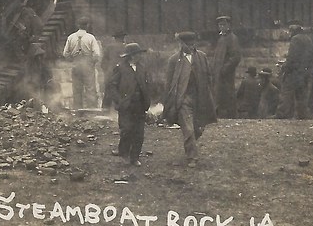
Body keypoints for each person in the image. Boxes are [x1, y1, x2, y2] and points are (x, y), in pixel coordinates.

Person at [161, 31, 217, 168]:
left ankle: (189, 143)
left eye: (193, 44)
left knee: (199, 128)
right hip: (182, 99)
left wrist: (209, 96)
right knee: (189, 129)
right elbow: (168, 83)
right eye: (187, 44)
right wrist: (168, 102)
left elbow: (209, 77)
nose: (190, 47)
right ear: (181, 44)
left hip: (200, 98)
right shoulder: (174, 60)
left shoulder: (202, 57)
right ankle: (192, 157)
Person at [103, 43, 152, 166]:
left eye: (140, 54)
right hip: (126, 105)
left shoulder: (142, 67)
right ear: (131, 56)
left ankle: (134, 157)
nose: (139, 56)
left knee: (139, 133)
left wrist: (147, 98)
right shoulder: (120, 68)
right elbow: (112, 86)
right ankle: (124, 153)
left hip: (140, 105)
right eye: (137, 54)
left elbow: (148, 84)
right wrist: (119, 100)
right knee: (126, 130)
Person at [63, 18, 103, 110]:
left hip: (75, 65)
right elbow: (96, 54)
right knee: (90, 88)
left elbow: (65, 53)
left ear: (78, 25)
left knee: (77, 88)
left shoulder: (71, 37)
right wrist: (92, 62)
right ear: (87, 25)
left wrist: (72, 61)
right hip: (88, 65)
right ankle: (92, 110)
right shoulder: (91, 37)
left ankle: (77, 111)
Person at [276, 22, 313, 119]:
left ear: (293, 30)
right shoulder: (308, 39)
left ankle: (283, 114)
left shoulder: (295, 39)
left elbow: (292, 57)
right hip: (304, 72)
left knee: (286, 93)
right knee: (302, 95)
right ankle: (302, 115)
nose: (289, 32)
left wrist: (284, 67)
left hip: (294, 72)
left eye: (290, 30)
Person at [211, 15, 242, 119]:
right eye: (220, 25)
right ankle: (220, 115)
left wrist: (225, 69)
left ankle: (231, 116)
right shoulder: (221, 38)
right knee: (218, 93)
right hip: (218, 73)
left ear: (229, 25)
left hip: (226, 74)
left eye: (224, 25)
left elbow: (236, 57)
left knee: (228, 94)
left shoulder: (232, 38)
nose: (222, 27)